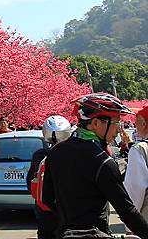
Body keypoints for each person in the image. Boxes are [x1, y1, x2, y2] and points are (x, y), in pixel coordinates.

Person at [43, 93, 148, 238]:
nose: (119, 129)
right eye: (116, 122)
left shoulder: (55, 152)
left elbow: (46, 198)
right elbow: (127, 211)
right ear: (96, 123)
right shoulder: (102, 160)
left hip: (64, 233)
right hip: (95, 233)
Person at [26, 115, 72, 239]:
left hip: (44, 211)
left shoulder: (39, 155)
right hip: (68, 211)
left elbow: (29, 183)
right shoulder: (73, 155)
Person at [124, 106, 148, 220]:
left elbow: (135, 189)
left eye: (136, 123)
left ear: (143, 124)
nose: (135, 126)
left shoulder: (140, 149)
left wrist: (132, 219)